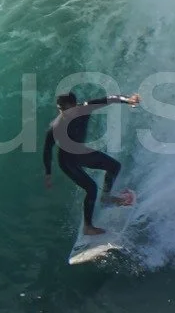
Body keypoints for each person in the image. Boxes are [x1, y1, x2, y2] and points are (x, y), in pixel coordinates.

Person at [44, 90, 141, 237]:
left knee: (114, 166)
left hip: (81, 153)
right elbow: (47, 149)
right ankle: (88, 227)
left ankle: (106, 197)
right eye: (60, 109)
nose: (63, 112)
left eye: (65, 108)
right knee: (91, 188)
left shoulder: (86, 108)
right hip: (67, 161)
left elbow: (110, 99)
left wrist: (128, 100)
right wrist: (48, 173)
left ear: (74, 104)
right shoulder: (56, 126)